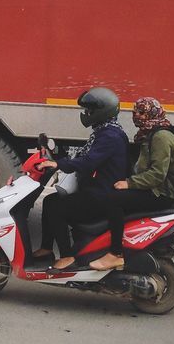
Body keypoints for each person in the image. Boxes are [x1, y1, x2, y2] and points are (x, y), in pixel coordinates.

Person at [32, 87, 130, 270]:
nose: (86, 114)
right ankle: (46, 248)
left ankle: (67, 256)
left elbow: (88, 162)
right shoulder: (105, 132)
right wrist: (56, 157)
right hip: (97, 190)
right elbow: (83, 156)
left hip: (102, 195)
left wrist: (58, 165)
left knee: (57, 208)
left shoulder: (110, 136)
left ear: (101, 111)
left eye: (90, 110)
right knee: (50, 200)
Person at [90, 97, 174, 271]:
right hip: (155, 189)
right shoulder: (151, 133)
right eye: (134, 112)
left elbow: (157, 175)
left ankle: (115, 253)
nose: (136, 116)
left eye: (141, 112)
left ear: (152, 113)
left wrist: (129, 183)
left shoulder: (161, 137)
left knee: (113, 199)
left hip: (159, 193)